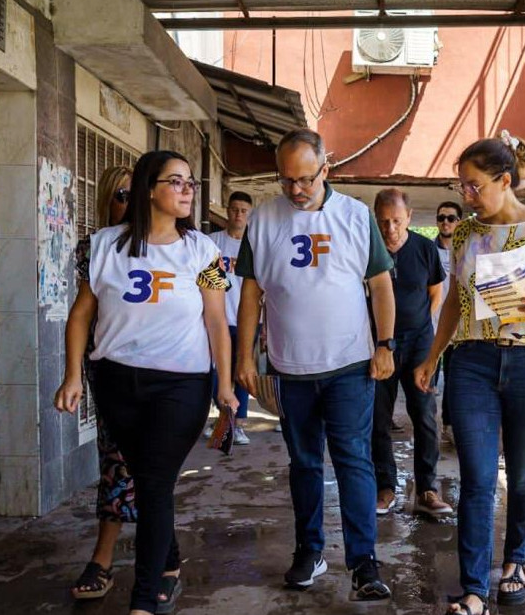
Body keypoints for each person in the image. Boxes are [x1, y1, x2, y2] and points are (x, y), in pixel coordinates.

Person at [414, 132, 525, 615]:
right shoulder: (467, 235)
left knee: (524, 475)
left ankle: (515, 563)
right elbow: (454, 300)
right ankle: (472, 589)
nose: (466, 196)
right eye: (462, 186)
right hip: (472, 362)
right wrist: (432, 357)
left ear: (504, 180)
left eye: (473, 187)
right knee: (474, 477)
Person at [54, 150, 237, 615]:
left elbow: (217, 322)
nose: (187, 190)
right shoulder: (103, 245)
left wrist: (225, 385)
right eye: (175, 181)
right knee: (146, 480)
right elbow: (81, 315)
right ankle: (168, 562)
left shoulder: (204, 251)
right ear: (147, 189)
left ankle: (143, 601)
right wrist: (73, 374)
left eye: (190, 182)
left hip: (180, 387)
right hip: (116, 384)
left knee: (154, 483)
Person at [234, 128, 395, 601]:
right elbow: (250, 294)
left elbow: (381, 285)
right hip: (290, 368)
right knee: (304, 462)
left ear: (327, 168)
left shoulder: (354, 216)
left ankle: (364, 562)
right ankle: (309, 550)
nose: (297, 189)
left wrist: (385, 345)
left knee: (352, 462)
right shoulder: (263, 220)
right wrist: (245, 357)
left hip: (349, 364)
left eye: (306, 178)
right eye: (287, 180)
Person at [70, 165, 134, 600]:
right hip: (112, 371)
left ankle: (164, 559)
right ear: (107, 201)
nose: (131, 204)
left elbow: (216, 297)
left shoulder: (189, 246)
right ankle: (103, 557)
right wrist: (72, 373)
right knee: (116, 459)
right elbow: (81, 313)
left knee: (157, 467)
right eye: (121, 195)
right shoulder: (95, 249)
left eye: (138, 194)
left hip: (174, 375)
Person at [370, 188, 452, 517]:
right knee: (377, 420)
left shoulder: (424, 249)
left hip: (419, 344)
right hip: (377, 346)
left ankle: (428, 489)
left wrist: (424, 331)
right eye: (384, 222)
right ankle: (386, 487)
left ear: (410, 217)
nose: (390, 229)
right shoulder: (367, 247)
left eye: (397, 221)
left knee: (425, 418)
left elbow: (435, 293)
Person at [208, 191, 256, 445]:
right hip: (219, 318)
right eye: (234, 209)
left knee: (242, 371)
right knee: (214, 370)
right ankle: (225, 416)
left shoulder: (255, 245)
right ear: (227, 211)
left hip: (246, 319)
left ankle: (238, 425)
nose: (238, 214)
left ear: (249, 215)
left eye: (243, 210)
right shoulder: (212, 243)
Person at [433, 200, 462, 439]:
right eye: (441, 218)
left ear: (459, 222)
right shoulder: (427, 249)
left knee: (454, 380)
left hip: (457, 329)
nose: (445, 222)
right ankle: (426, 425)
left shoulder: (466, 251)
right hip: (429, 327)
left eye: (451, 218)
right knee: (426, 381)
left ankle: (449, 425)